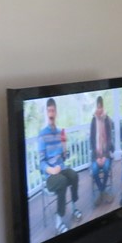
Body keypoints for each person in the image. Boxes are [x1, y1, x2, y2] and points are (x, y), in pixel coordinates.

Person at [39, 97, 81, 233]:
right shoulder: (42, 134)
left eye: (53, 110)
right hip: (50, 176)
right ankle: (59, 220)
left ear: (56, 113)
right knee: (62, 181)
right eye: (49, 110)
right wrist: (51, 170)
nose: (51, 113)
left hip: (61, 169)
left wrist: (64, 147)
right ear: (47, 112)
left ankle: (74, 206)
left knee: (74, 175)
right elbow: (41, 162)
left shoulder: (60, 132)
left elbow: (65, 157)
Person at [88, 95, 115, 206]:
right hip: (96, 156)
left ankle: (101, 193)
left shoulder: (107, 119)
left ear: (103, 108)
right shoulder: (93, 120)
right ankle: (103, 192)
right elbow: (91, 141)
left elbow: (109, 139)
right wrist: (96, 157)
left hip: (105, 155)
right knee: (94, 171)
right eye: (97, 107)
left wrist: (104, 156)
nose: (99, 109)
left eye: (101, 107)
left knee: (106, 167)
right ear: (96, 108)